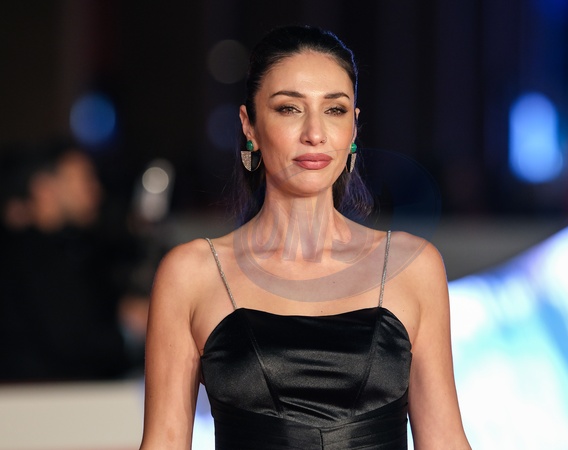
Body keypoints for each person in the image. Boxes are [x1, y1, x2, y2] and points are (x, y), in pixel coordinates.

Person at [140, 25, 471, 449]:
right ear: (249, 125)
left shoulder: (412, 265)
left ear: (354, 128)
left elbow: (444, 439)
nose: (315, 133)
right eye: (289, 109)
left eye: (334, 110)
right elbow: (165, 440)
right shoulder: (192, 274)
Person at [0, 139, 147, 380]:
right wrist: (127, 330)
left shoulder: (76, 247)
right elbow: (69, 343)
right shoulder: (26, 257)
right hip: (44, 397)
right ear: (45, 188)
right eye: (84, 179)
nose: (96, 190)